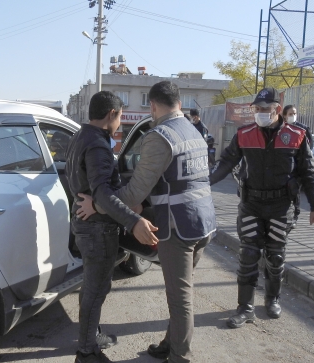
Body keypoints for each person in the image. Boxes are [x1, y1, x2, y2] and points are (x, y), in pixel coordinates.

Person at [77, 81, 216, 363]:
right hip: (204, 223)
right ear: (178, 102)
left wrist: (97, 204)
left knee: (180, 299)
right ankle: (171, 343)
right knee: (183, 293)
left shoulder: (160, 136)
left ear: (152, 105)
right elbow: (179, 177)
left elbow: (133, 192)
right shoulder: (195, 131)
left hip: (178, 228)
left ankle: (180, 357)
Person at [209, 87, 314, 329]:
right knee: (248, 255)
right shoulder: (244, 133)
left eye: (265, 109)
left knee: (275, 256)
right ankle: (245, 308)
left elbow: (309, 172)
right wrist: (205, 182)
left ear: (277, 110)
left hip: (282, 206)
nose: (260, 113)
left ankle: (272, 300)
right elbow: (227, 161)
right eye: (257, 109)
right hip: (251, 204)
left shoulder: (297, 134)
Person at [66, 90, 158, 363]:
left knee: (93, 287)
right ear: (112, 115)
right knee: (96, 290)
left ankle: (91, 337)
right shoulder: (97, 145)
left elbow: (97, 188)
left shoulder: (82, 136)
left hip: (87, 225)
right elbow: (103, 192)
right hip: (97, 229)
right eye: (119, 119)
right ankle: (86, 352)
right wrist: (134, 219)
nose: (119, 126)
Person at [282, 105, 313, 228]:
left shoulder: (303, 129)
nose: (292, 116)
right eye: (290, 114)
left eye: (294, 113)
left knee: (295, 191)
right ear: (284, 115)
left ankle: (295, 214)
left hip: (297, 168)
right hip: (285, 168)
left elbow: (309, 150)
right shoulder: (281, 128)